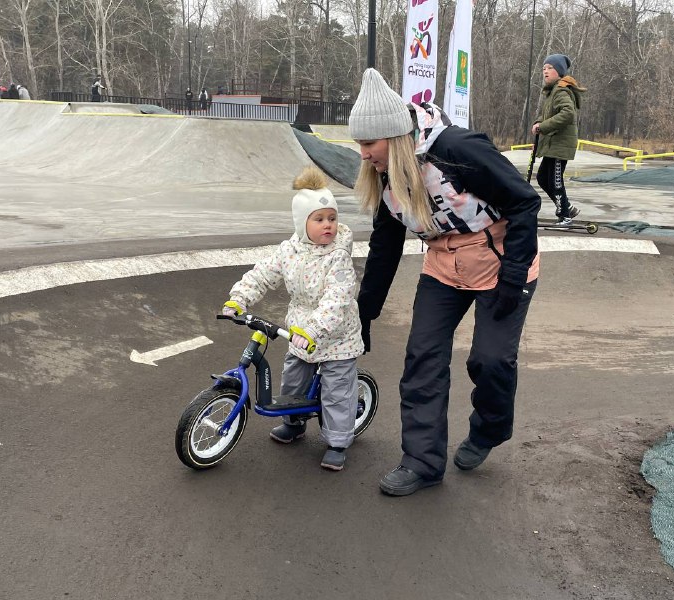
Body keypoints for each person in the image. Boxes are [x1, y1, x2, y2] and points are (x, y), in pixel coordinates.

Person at [349, 68, 541, 496]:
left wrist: (512, 279)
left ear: (394, 137)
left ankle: (489, 430)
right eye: (358, 144)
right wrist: (365, 312)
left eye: (368, 144)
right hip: (443, 266)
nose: (362, 155)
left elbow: (525, 202)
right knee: (423, 358)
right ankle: (422, 462)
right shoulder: (385, 176)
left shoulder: (457, 149)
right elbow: (385, 247)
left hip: (501, 262)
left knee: (489, 361)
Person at [221, 166, 365, 471]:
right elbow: (263, 274)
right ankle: (294, 422)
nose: (328, 225)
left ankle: (338, 441)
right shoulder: (289, 251)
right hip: (301, 332)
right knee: (293, 378)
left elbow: (336, 300)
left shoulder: (337, 256)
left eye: (332, 218)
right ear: (302, 223)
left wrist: (314, 330)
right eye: (319, 219)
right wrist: (240, 298)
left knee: (337, 389)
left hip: (336, 334)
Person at [530, 54, 587, 226]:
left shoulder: (561, 90)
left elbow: (568, 113)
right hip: (552, 145)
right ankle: (567, 207)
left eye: (550, 68)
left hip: (560, 145)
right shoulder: (552, 92)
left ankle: (565, 216)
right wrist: (538, 122)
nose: (545, 72)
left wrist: (543, 126)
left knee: (555, 182)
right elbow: (546, 115)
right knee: (542, 178)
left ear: (559, 72)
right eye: (543, 69)